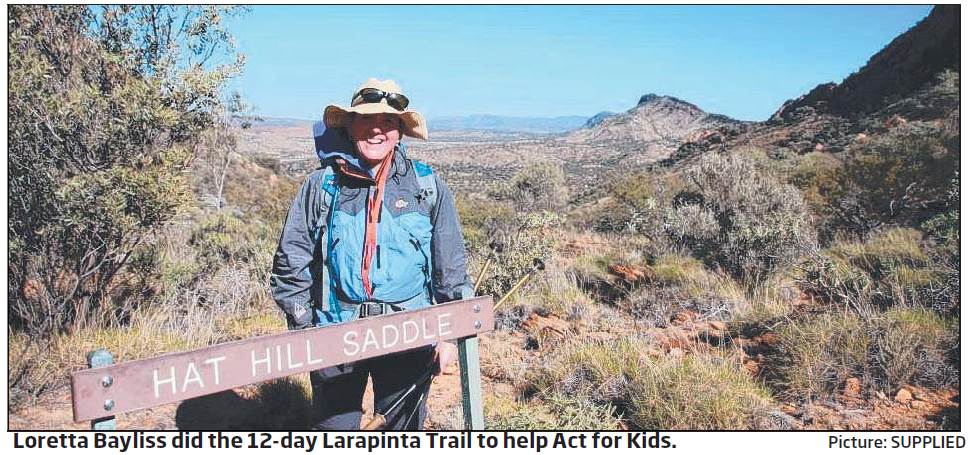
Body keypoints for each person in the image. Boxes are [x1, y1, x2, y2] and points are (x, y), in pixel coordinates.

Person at [270, 78, 473, 430]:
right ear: (349, 126)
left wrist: (448, 335)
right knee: (334, 430)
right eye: (366, 119)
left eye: (389, 122)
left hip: (409, 331)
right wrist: (304, 324)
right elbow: (292, 257)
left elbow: (450, 268)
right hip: (335, 329)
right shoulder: (322, 185)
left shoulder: (426, 186)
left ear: (400, 131)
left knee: (402, 431)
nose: (377, 129)